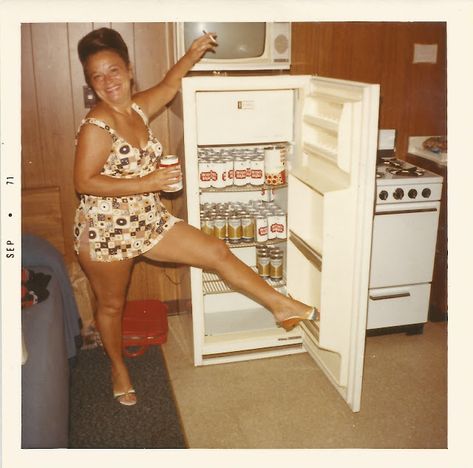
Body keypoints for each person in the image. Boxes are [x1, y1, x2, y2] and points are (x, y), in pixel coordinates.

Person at [73, 27, 318, 406]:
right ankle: (118, 367)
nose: (107, 81)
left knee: (216, 251)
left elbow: (170, 86)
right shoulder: (96, 125)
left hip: (148, 220)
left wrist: (192, 54)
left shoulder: (137, 107)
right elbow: (85, 181)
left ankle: (280, 306)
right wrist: (151, 180)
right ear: (90, 82)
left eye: (113, 70)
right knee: (111, 305)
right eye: (97, 76)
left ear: (129, 69)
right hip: (106, 231)